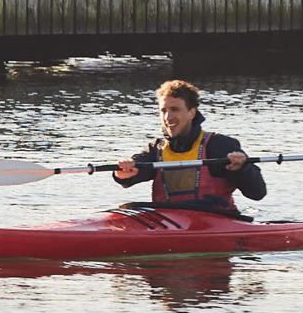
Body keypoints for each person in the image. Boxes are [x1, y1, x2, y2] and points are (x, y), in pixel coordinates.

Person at [109, 78, 267, 218]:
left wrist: (241, 169)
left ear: (192, 113)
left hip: (215, 221)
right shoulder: (156, 149)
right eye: (163, 110)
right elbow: (135, 170)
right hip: (168, 223)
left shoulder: (220, 145)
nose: (168, 117)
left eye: (175, 110)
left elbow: (257, 193)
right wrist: (123, 173)